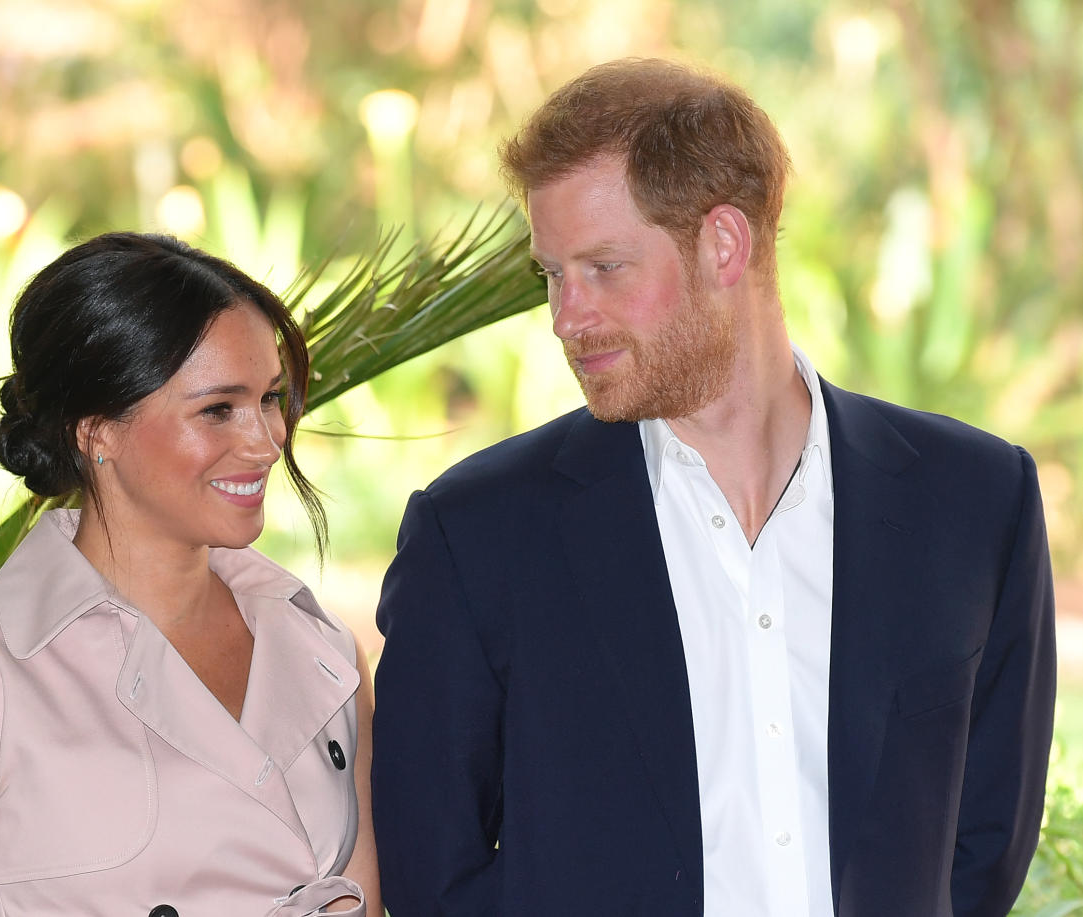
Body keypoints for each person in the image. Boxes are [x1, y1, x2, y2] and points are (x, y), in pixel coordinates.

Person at [370, 58, 1055, 917]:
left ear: (723, 244)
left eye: (604, 268)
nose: (564, 317)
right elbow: (433, 875)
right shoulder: (473, 533)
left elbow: (981, 844)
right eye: (552, 275)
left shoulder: (974, 501)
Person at [0, 232, 380, 917]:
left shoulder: (322, 649)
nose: (266, 440)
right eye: (218, 408)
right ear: (96, 431)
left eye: (270, 398)